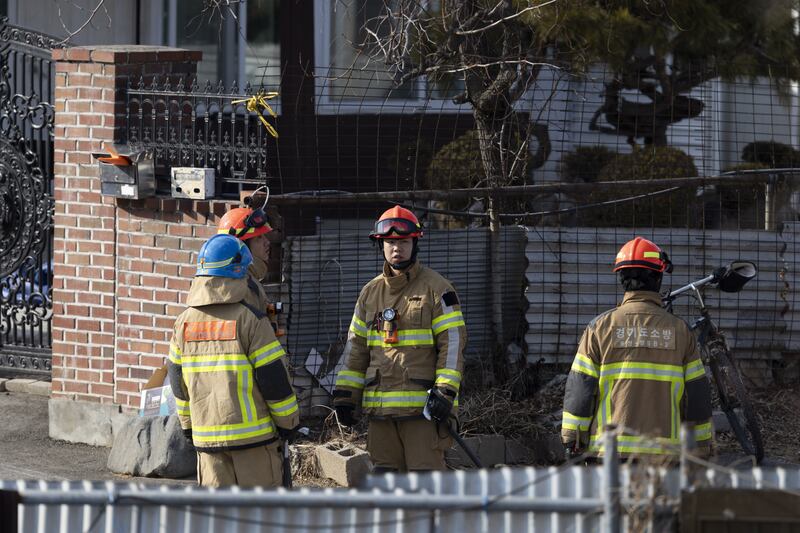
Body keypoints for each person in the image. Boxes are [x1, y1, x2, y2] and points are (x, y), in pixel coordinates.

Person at [332, 206, 467, 472]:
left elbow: (452, 344)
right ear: (380, 245)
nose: (397, 248)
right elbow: (355, 349)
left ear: (415, 242)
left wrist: (445, 392)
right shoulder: (369, 294)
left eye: (403, 241)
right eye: (391, 242)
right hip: (380, 414)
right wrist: (346, 396)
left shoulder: (437, 289)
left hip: (423, 413)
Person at [561, 237, 713, 460]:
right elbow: (697, 396)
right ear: (658, 278)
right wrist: (700, 445)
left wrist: (572, 439)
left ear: (621, 279)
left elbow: (581, 390)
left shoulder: (599, 328)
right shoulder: (680, 332)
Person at [167, 234, 299, 487]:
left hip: (208, 443)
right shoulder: (250, 320)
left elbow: (177, 382)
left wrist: (188, 426)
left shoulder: (182, 323)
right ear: (238, 271)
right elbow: (273, 379)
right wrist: (288, 423)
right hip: (255, 443)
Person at [217, 206, 272, 312]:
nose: (267, 242)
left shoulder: (244, 278)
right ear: (242, 245)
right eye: (259, 238)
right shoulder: (243, 286)